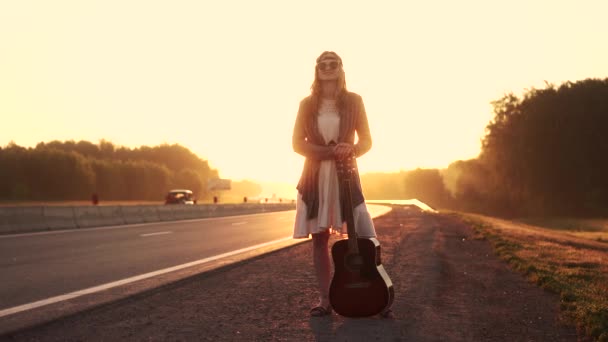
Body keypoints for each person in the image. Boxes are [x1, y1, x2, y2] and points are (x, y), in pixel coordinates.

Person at [292, 51, 377, 317]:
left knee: (363, 235)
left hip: (346, 176)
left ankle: (376, 294)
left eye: (333, 64)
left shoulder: (354, 101)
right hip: (315, 179)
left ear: (341, 69)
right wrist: (331, 152)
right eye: (322, 65)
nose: (328, 68)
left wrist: (351, 149)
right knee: (319, 239)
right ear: (317, 70)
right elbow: (297, 144)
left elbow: (366, 141)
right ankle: (325, 300)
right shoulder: (307, 104)